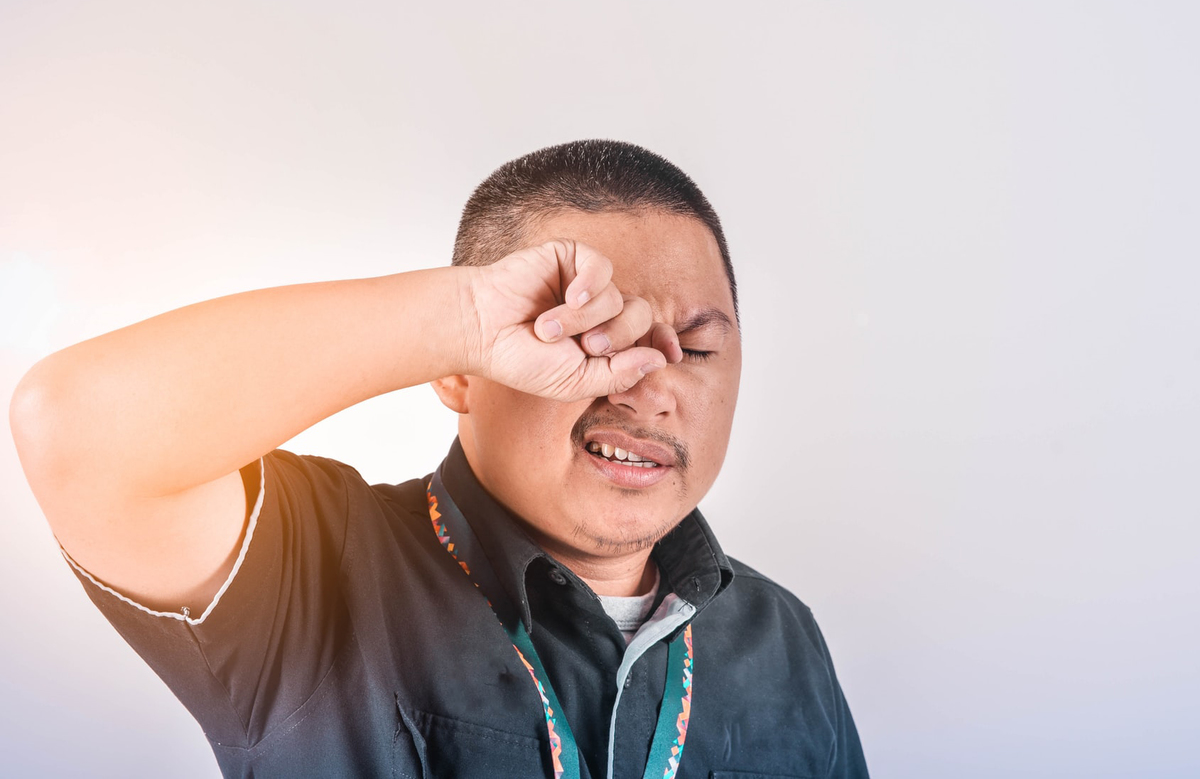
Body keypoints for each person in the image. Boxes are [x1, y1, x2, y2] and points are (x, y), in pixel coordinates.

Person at [10, 140, 868, 778]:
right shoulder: (314, 570)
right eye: (589, 337)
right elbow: (73, 427)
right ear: (461, 371)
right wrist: (460, 318)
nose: (646, 385)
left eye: (697, 349)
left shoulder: (780, 637)